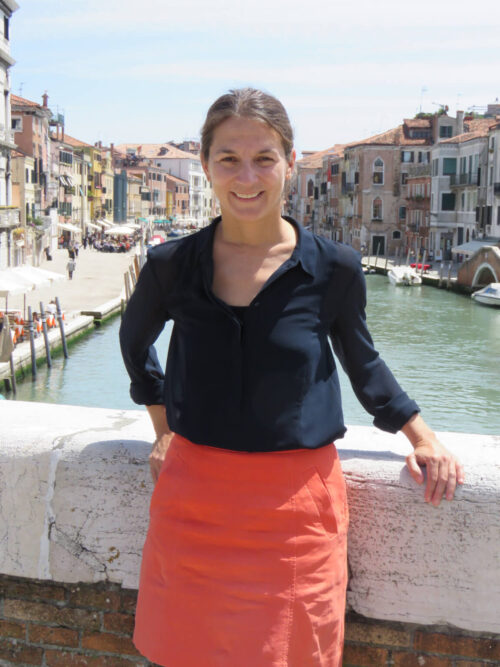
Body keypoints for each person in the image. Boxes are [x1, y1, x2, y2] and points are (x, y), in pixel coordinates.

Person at [119, 88, 464, 667]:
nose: (247, 176)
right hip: (193, 505)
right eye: (229, 158)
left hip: (297, 518)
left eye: (264, 158)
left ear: (289, 162)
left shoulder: (333, 267)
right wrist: (163, 425)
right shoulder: (170, 266)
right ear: (206, 164)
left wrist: (422, 437)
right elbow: (135, 349)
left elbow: (364, 364)